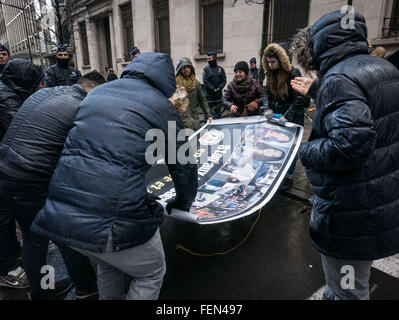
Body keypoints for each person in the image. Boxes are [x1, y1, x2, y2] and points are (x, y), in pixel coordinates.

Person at [31, 52, 198, 300]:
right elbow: (184, 167)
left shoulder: (98, 93)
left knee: (108, 264)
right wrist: (181, 204)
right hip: (112, 221)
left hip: (63, 214)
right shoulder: (162, 107)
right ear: (165, 81)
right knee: (151, 272)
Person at [290, 10, 399, 300]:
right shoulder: (383, 68)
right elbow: (366, 112)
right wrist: (319, 92)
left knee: (348, 291)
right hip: (380, 199)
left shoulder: (339, 78)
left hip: (352, 211)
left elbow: (350, 144)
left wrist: (304, 149)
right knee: (347, 285)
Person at [0, 71, 105, 300]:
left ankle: (41, 292)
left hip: (6, 175)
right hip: (31, 179)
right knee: (66, 234)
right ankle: (87, 289)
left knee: (32, 236)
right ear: (95, 90)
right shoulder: (81, 105)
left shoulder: (46, 93)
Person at [0, 59, 43, 290]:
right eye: (35, 83)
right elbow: (23, 130)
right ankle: (7, 270)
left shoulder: (7, 90)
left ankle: (13, 254)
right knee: (3, 217)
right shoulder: (6, 98)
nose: (39, 88)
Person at [262, 43, 308, 191]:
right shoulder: (269, 73)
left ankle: (288, 176)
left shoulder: (293, 73)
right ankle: (278, 172)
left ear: (281, 60)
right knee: (277, 144)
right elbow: (266, 92)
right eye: (268, 62)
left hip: (293, 116)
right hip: (277, 114)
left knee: (291, 146)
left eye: (273, 62)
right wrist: (267, 108)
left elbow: (299, 98)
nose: (270, 65)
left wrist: (287, 116)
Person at [175, 57, 212, 131]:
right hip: (180, 121)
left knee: (195, 140)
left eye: (188, 67)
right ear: (179, 69)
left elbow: (203, 101)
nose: (186, 69)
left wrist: (209, 115)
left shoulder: (196, 84)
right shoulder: (175, 84)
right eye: (184, 67)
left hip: (194, 119)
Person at [202, 50, 227, 117]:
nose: (208, 60)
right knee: (208, 114)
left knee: (218, 113)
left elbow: (224, 80)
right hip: (209, 96)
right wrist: (213, 89)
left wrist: (219, 88)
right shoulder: (206, 69)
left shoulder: (221, 69)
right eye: (207, 59)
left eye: (209, 58)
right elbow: (205, 81)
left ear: (214, 58)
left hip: (218, 96)